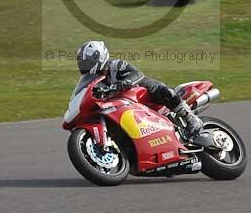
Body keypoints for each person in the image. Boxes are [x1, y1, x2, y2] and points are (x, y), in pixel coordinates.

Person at [75, 40, 204, 139]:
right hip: (124, 108)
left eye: (87, 63)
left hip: (141, 93)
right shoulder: (95, 82)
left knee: (162, 90)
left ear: (100, 58)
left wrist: (125, 82)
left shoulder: (116, 65)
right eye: (82, 64)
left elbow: (137, 74)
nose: (84, 67)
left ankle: (191, 119)